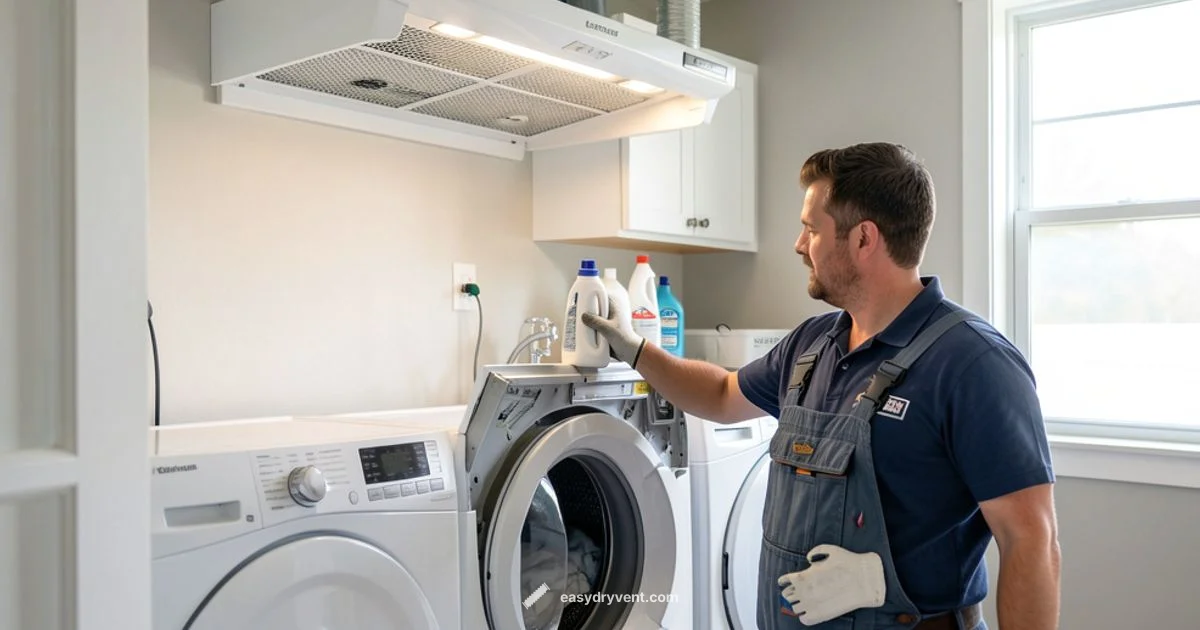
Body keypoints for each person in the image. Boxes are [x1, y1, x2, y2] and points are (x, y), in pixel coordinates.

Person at [581, 142, 1061, 630]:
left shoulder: (974, 363)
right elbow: (723, 395)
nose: (798, 244)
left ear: (863, 239)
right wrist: (636, 350)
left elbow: (1031, 540)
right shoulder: (813, 344)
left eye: (812, 229)